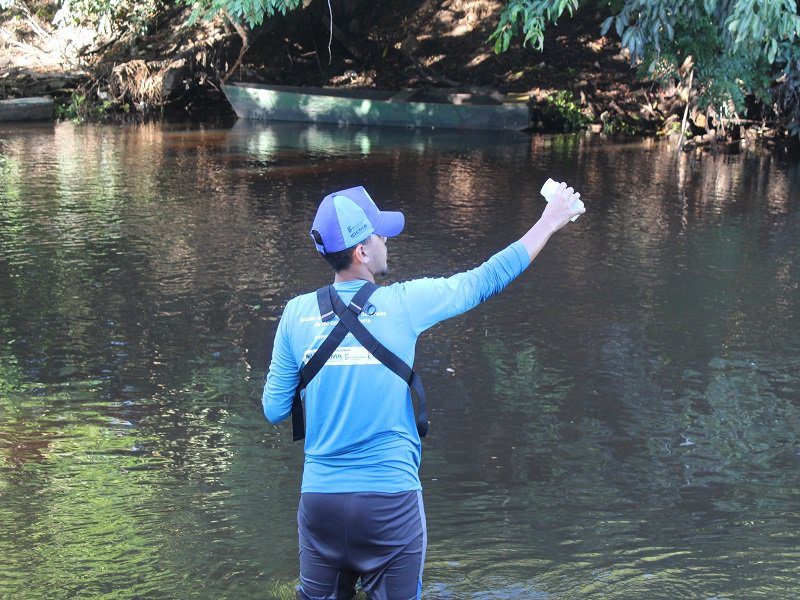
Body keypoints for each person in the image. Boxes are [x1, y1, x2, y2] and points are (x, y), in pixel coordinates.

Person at [262, 182, 584, 600]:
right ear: (361, 251)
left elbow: (273, 409)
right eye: (379, 235)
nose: (385, 241)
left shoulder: (294, 315)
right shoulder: (404, 303)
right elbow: (483, 281)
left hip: (320, 505)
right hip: (389, 506)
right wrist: (549, 220)